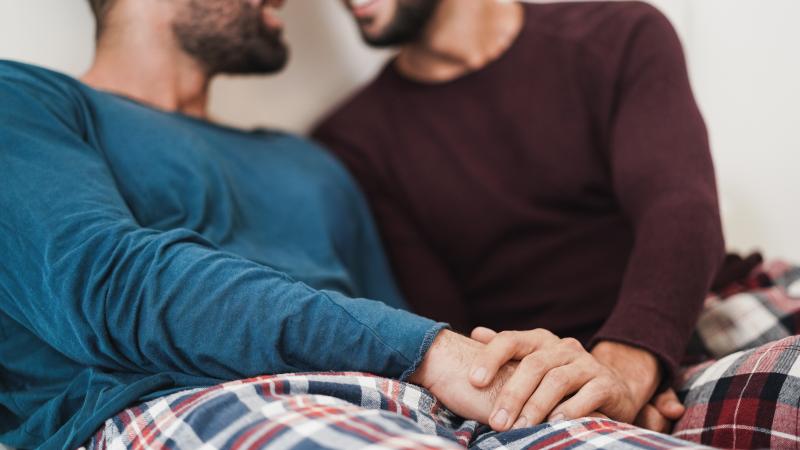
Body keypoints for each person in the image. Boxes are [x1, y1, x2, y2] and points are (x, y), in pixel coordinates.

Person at [0, 0, 684, 449]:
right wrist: (443, 357)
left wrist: (576, 394)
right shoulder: (24, 102)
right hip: (186, 404)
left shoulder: (313, 164)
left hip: (423, 407)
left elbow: (409, 322)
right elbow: (112, 284)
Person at [314, 0, 725, 434]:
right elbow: (445, 324)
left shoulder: (619, 34)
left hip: (670, 334)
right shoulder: (352, 141)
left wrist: (627, 369)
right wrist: (577, 394)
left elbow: (681, 209)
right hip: (528, 391)